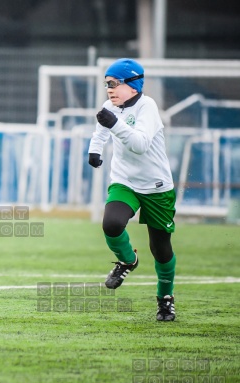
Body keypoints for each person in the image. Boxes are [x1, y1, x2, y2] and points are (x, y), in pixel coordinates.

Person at [87, 58, 177, 321]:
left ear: (133, 85)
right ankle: (127, 261)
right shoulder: (109, 106)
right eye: (106, 84)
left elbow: (139, 144)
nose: (109, 89)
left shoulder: (147, 107)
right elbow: (101, 132)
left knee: (161, 248)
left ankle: (165, 299)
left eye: (114, 83)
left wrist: (114, 123)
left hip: (156, 187)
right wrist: (95, 150)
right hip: (125, 181)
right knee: (112, 224)